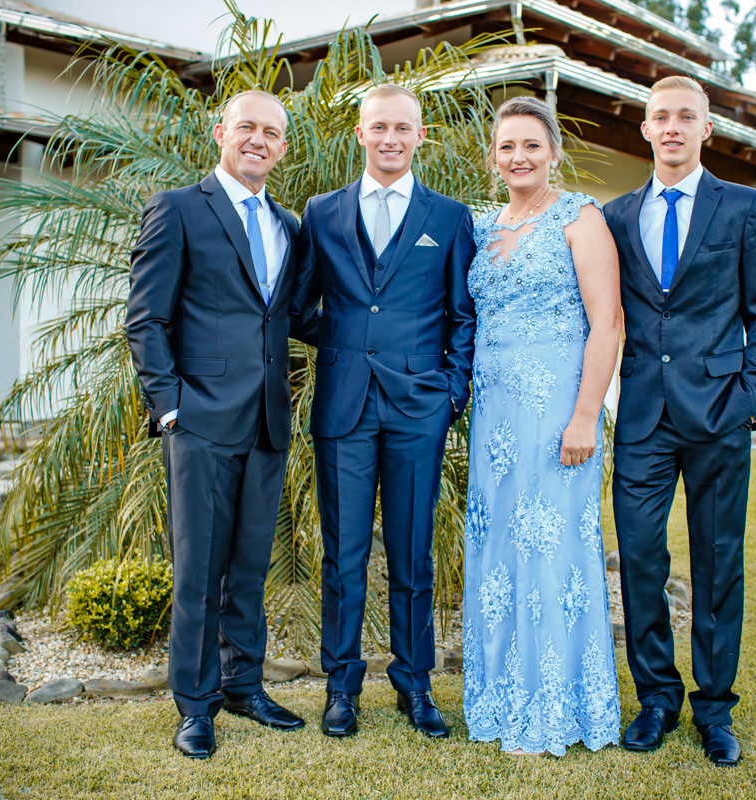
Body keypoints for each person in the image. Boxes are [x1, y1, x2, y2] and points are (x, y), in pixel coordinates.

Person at [125, 89, 317, 759]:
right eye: (246, 128)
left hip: (266, 422)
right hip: (200, 421)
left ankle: (243, 686)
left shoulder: (289, 225)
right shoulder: (179, 208)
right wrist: (170, 407)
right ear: (221, 133)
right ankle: (196, 705)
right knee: (199, 573)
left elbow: (293, 317)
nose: (258, 140)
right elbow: (146, 317)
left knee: (250, 567)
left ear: (283, 147)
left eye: (271, 132)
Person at [602, 75, 756, 767]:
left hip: (719, 416)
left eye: (686, 116)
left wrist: (747, 402)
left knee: (717, 562)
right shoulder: (616, 216)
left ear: (706, 129)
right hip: (642, 416)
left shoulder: (743, 207)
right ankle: (656, 699)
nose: (672, 127)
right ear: (645, 129)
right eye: (661, 117)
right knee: (640, 559)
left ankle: (714, 708)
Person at [290, 84, 476, 738]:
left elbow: (462, 315)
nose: (390, 138)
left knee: (412, 552)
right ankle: (341, 688)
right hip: (343, 406)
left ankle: (414, 683)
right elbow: (299, 307)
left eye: (402, 128)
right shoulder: (322, 212)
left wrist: (451, 391)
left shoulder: (449, 217)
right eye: (379, 127)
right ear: (361, 134)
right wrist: (348, 343)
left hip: (419, 409)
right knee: (342, 555)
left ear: (420, 136)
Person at [461, 96, 623, 756]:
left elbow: (607, 323)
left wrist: (586, 415)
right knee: (499, 550)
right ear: (493, 157)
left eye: (532, 144)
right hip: (494, 417)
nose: (519, 156)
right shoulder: (480, 226)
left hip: (558, 411)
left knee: (551, 548)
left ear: (554, 152)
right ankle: (502, 696)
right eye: (507, 146)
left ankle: (557, 700)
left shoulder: (580, 218)